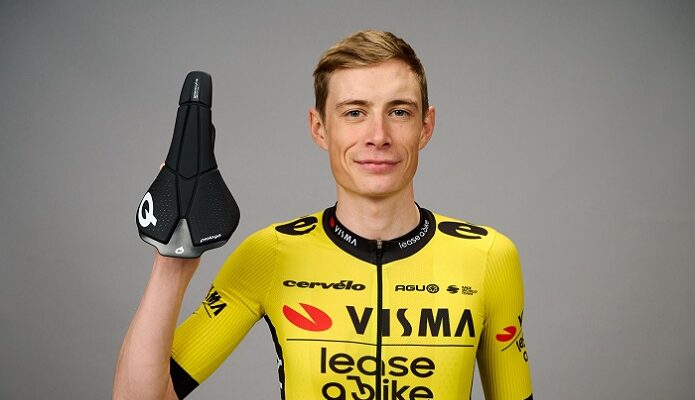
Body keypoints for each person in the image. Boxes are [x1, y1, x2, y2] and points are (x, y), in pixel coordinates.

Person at [113, 29, 533, 400]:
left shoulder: (489, 257)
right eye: (354, 112)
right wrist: (172, 259)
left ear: (426, 126)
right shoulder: (269, 254)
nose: (378, 136)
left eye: (399, 111)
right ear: (319, 128)